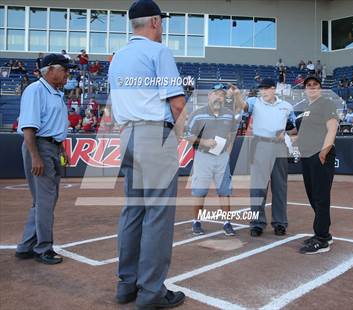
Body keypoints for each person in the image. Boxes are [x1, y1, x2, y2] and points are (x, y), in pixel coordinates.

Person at [108, 0, 186, 308]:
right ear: (154, 22)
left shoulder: (118, 57)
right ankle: (151, 292)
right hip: (154, 135)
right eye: (162, 21)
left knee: (134, 211)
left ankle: (126, 285)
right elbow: (177, 105)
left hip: (127, 134)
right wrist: (178, 138)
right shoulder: (158, 52)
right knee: (157, 216)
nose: (163, 26)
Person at [15, 54, 76, 264]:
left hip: (51, 147)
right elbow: (29, 127)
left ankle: (25, 246)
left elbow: (53, 127)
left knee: (42, 201)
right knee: (45, 201)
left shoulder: (56, 92)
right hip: (39, 146)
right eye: (65, 69)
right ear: (50, 70)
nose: (69, 73)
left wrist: (61, 150)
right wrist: (36, 157)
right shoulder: (36, 90)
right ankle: (43, 248)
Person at [237, 78, 295, 237]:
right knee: (258, 187)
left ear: (273, 89)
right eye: (261, 89)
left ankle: (280, 223)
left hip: (279, 146)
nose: (262, 91)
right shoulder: (254, 101)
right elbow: (244, 106)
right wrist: (236, 96)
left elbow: (293, 129)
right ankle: (257, 223)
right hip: (260, 144)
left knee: (280, 187)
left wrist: (288, 135)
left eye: (265, 88)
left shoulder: (286, 106)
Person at [184, 84, 240, 236]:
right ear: (209, 96)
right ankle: (196, 222)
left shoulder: (229, 114)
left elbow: (233, 133)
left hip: (221, 157)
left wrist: (227, 152)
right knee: (200, 192)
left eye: (221, 95)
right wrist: (204, 142)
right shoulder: (198, 114)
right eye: (215, 94)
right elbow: (187, 135)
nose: (218, 97)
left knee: (224, 192)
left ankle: (227, 223)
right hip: (203, 157)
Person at [295, 76, 339, 254]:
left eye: (315, 85)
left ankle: (321, 239)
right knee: (313, 195)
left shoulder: (326, 103)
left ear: (320, 88)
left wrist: (324, 151)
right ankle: (324, 234)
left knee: (320, 197)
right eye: (308, 85)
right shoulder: (307, 108)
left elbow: (333, 127)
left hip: (320, 155)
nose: (311, 87)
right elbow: (303, 131)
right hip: (307, 156)